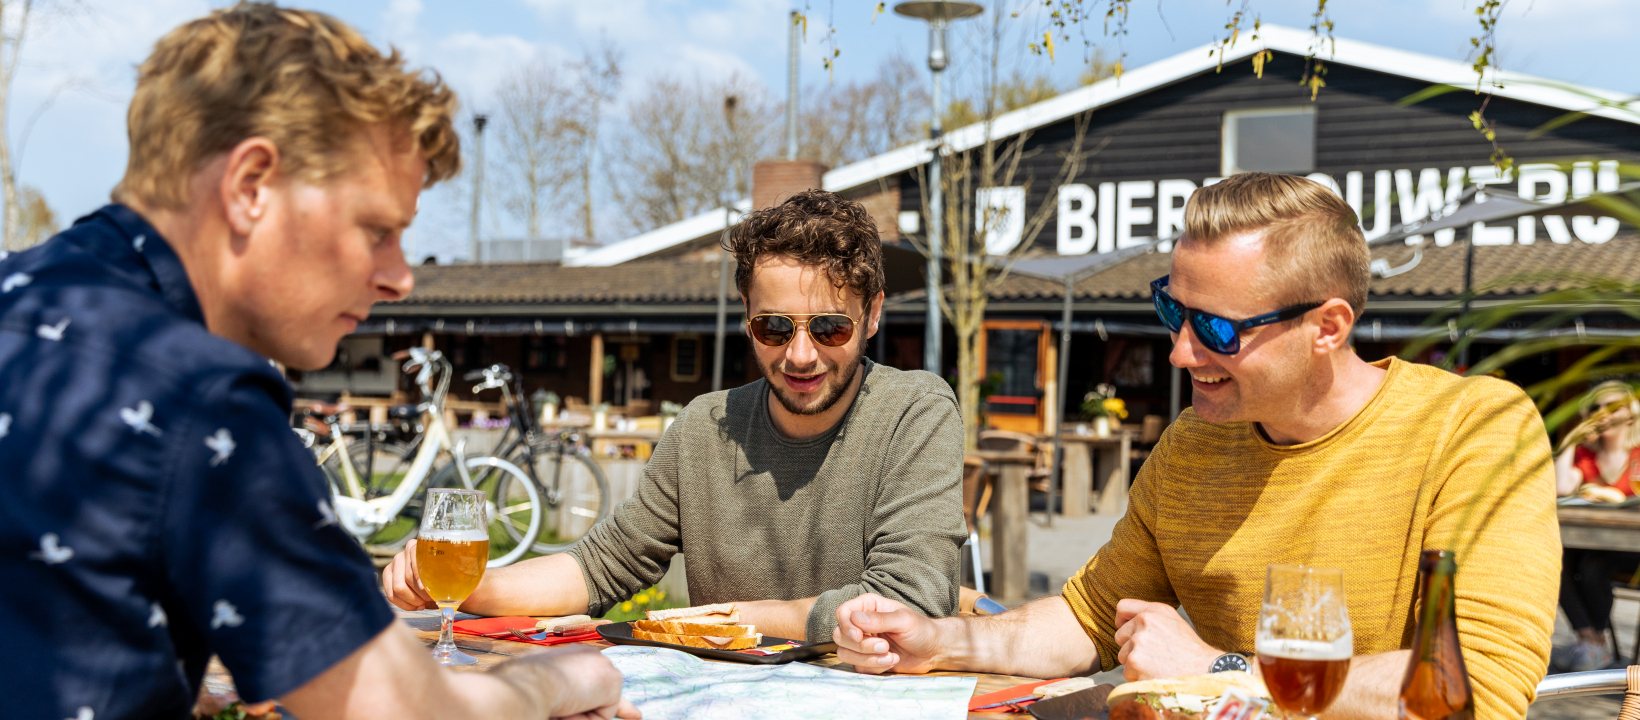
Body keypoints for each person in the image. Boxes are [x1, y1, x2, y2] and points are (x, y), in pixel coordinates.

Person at [0, 4, 634, 719]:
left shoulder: (26, 303)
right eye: (377, 230)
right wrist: (566, 679)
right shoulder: (203, 396)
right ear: (251, 187)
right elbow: (412, 711)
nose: (401, 276)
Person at [831, 172, 1559, 719]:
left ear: (1328, 327)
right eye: (1171, 309)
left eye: (1216, 329)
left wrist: (1224, 668)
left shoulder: (1473, 429)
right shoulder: (1194, 446)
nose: (1180, 353)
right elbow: (1089, 618)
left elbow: (1476, 689)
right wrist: (939, 642)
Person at [383, 189, 968, 642]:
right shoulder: (702, 428)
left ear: (872, 316)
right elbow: (601, 567)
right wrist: (470, 588)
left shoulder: (914, 412)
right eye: (774, 326)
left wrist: (731, 619)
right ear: (747, 316)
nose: (799, 355)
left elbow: (907, 602)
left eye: (829, 326)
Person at [1552, 380, 1640, 672]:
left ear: (1630, 413)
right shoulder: (1585, 455)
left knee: (1592, 567)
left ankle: (1593, 647)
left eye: (1611, 406)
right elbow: (1562, 487)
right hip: (1589, 542)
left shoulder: (1638, 454)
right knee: (1556, 560)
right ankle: (1591, 641)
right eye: (1595, 408)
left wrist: (1614, 496)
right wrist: (1573, 440)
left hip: (1631, 547)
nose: (1602, 413)